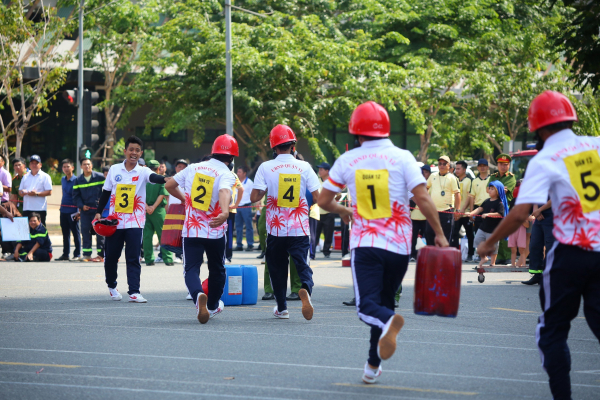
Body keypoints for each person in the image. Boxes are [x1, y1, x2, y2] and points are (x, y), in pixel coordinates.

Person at [478, 90, 600, 400]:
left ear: (538, 128)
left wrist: (490, 242)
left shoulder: (546, 158)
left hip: (571, 253)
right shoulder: (596, 145)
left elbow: (520, 212)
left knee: (552, 333)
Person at [317, 101, 449, 384]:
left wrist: (343, 211)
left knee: (368, 307)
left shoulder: (348, 160)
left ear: (356, 132)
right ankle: (372, 366)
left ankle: (390, 323)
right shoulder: (404, 158)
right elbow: (423, 199)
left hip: (367, 244)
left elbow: (323, 201)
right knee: (384, 303)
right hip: (400, 247)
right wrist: (438, 233)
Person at [250, 124, 320, 320]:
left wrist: (265, 190)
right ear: (293, 146)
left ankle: (282, 308)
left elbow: (255, 196)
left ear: (274, 148)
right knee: (302, 265)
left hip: (276, 228)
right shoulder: (305, 166)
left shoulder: (266, 167)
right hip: (299, 228)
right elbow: (317, 196)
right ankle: (305, 288)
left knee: (277, 269)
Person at [165, 135, 237, 323]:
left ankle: (198, 296)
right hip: (215, 230)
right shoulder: (226, 173)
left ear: (213, 152)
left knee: (191, 268)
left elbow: (169, 184)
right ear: (231, 159)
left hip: (192, 230)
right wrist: (224, 212)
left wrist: (183, 198)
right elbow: (224, 191)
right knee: (217, 269)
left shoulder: (193, 168)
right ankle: (212, 305)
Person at [95, 135, 172, 303]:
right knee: (112, 256)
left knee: (133, 257)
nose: (134, 153)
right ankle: (112, 286)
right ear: (125, 151)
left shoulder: (143, 171)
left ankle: (134, 291)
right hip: (114, 221)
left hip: (135, 222)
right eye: (131, 149)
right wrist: (99, 212)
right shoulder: (115, 170)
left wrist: (167, 178)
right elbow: (106, 192)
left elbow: (155, 178)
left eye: (137, 150)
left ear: (141, 152)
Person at [72, 158, 105, 262]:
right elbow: (75, 196)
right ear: (81, 167)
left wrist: (102, 202)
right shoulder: (78, 180)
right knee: (86, 232)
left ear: (92, 165)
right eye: (84, 164)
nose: (87, 166)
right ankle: (87, 254)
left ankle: (101, 255)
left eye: (88, 164)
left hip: (98, 211)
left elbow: (107, 191)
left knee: (100, 233)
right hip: (85, 211)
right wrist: (81, 206)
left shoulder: (100, 177)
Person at [142, 160, 173, 266]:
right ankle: (168, 259)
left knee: (147, 235)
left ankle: (149, 259)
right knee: (163, 235)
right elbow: (162, 195)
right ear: (158, 168)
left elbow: (139, 194)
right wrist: (154, 207)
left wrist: (147, 207)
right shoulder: (160, 179)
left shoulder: (143, 180)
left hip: (145, 210)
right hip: (158, 210)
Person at [470, 181, 507, 268]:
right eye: (489, 188)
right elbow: (479, 209)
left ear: (498, 191)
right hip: (483, 227)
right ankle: (484, 258)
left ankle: (492, 263)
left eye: (492, 189)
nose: (489, 190)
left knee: (493, 247)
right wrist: (471, 213)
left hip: (494, 230)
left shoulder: (499, 203)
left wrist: (488, 214)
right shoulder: (486, 201)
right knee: (477, 241)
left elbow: (500, 214)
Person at [425, 156, 460, 245]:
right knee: (429, 232)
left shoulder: (452, 178)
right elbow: (425, 187)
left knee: (446, 236)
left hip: (447, 211)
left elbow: (457, 194)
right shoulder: (433, 176)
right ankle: (432, 254)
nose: (442, 166)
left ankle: (443, 256)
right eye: (440, 163)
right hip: (433, 211)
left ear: (449, 166)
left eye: (444, 164)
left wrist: (457, 210)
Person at [489, 154, 516, 264]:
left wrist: (495, 189)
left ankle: (507, 256)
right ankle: (498, 256)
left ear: (509, 165)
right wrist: (497, 189)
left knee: (505, 231)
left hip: (506, 207)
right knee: (495, 231)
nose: (503, 167)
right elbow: (488, 189)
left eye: (506, 165)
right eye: (501, 164)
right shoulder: (493, 176)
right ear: (497, 165)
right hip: (494, 206)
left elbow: (503, 191)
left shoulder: (511, 177)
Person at [522, 199, 555, 285]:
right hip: (539, 218)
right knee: (534, 246)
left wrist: (539, 210)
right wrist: (536, 211)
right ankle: (537, 275)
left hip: (552, 217)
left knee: (550, 247)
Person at [57, 159, 81, 261]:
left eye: (68, 166)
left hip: (73, 211)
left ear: (72, 168)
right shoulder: (63, 179)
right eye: (64, 167)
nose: (66, 169)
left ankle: (77, 254)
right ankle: (65, 254)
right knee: (65, 233)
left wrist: (79, 212)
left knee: (75, 233)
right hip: (63, 210)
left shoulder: (77, 180)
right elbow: (63, 193)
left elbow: (80, 196)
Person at [18, 155, 52, 226]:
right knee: (27, 230)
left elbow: (49, 192)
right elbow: (20, 192)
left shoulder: (45, 176)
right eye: (32, 163)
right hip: (27, 208)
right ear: (29, 165)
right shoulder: (25, 176)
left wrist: (36, 193)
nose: (34, 165)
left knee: (40, 229)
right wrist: (23, 192)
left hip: (39, 208)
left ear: (40, 165)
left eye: (36, 163)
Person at [451, 160, 475, 261]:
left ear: (464, 170)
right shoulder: (453, 179)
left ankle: (470, 255)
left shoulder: (469, 181)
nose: (456, 170)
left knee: (470, 234)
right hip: (456, 213)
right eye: (456, 168)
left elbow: (470, 197)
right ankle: (455, 254)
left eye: (458, 168)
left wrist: (465, 210)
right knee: (454, 234)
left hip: (466, 213)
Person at [166, 159, 188, 265]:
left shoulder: (189, 180)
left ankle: (186, 254)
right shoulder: (171, 180)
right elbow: (167, 196)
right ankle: (178, 255)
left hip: (186, 209)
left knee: (186, 233)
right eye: (179, 166)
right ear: (175, 168)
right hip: (174, 210)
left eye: (184, 167)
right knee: (175, 233)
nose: (181, 169)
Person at [315, 162, 336, 259]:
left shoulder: (332, 181)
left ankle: (326, 251)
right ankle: (312, 250)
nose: (319, 171)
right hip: (317, 212)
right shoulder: (316, 181)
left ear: (327, 171)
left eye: (321, 169)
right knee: (315, 232)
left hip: (328, 212)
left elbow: (338, 194)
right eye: (319, 170)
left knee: (328, 233)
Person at [410, 164, 431, 261]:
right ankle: (412, 254)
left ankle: (429, 254)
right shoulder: (415, 183)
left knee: (428, 236)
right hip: (414, 215)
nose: (424, 174)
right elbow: (410, 195)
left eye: (426, 172)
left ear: (429, 174)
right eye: (422, 172)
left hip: (426, 216)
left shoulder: (431, 184)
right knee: (413, 237)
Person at [234, 165, 254, 251]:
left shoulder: (249, 183)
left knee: (249, 226)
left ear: (244, 173)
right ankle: (239, 244)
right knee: (238, 227)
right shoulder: (235, 182)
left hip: (246, 206)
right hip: (237, 207)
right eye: (237, 172)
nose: (238, 173)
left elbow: (253, 195)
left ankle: (250, 244)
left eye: (239, 172)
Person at [469, 158, 491, 235]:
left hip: (490, 209)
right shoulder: (474, 181)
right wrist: (472, 212)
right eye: (480, 166)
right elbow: (472, 197)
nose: (482, 167)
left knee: (489, 233)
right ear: (477, 168)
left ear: (488, 167)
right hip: (478, 209)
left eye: (484, 166)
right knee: (478, 233)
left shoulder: (492, 179)